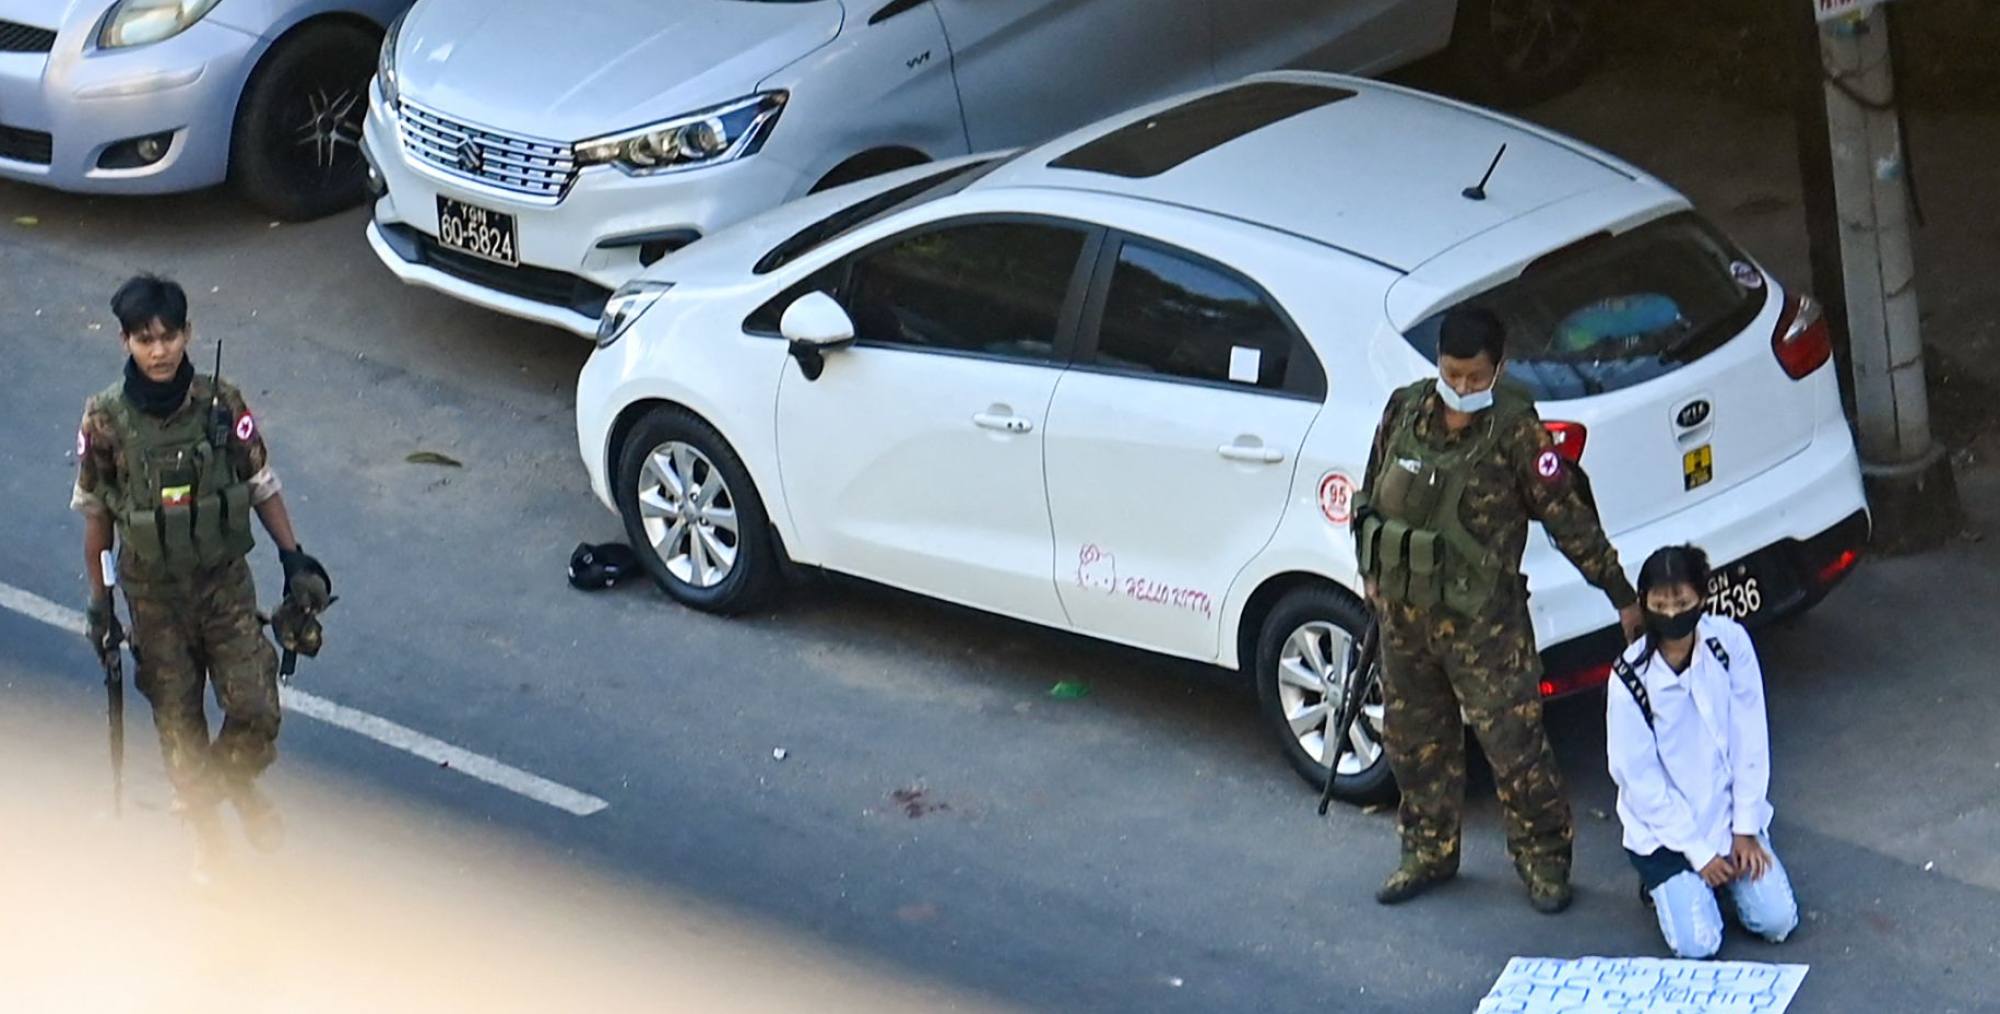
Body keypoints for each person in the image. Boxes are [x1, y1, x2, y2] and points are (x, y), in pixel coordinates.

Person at [1354, 306, 1642, 913]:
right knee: (1413, 743)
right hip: (1405, 620)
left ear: (1500, 367)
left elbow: (1570, 519)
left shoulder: (1516, 432)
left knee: (1515, 748)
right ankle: (1427, 852)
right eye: (1452, 373)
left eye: (1475, 376)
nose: (1461, 386)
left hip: (1486, 629)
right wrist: (1372, 579)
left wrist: (1620, 595)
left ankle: (1543, 862)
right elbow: (1372, 494)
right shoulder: (1405, 410)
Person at [74, 275, 330, 861]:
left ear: (189, 334)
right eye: (145, 339)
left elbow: (260, 483)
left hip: (223, 588)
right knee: (180, 730)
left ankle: (225, 789)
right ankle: (210, 846)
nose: (159, 350)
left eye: (169, 336)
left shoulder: (222, 404)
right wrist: (99, 603)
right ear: (125, 343)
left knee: (257, 711)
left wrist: (293, 558)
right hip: (152, 595)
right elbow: (95, 516)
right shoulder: (105, 419)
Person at [1608, 544, 1799, 959]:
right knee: (1699, 945)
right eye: (1660, 604)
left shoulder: (1729, 643)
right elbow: (1638, 779)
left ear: (1702, 598)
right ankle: (1667, 885)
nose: (1672, 613)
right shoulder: (1629, 678)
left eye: (1682, 602)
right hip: (1667, 834)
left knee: (1777, 920)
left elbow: (1751, 737)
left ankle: (1724, 881)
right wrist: (1697, 850)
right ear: (1645, 604)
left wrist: (1744, 828)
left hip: (1728, 817)